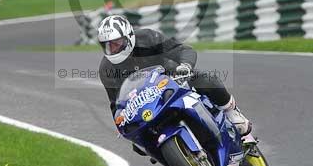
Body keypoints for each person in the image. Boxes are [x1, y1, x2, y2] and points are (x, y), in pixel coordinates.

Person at [97, 14, 252, 136]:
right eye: (108, 46)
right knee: (138, 143)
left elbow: (183, 49)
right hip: (146, 102)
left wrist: (185, 66)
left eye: (117, 43)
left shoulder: (148, 38)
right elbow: (116, 103)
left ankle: (231, 111)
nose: (114, 49)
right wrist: (122, 123)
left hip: (172, 78)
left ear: (129, 37)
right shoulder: (106, 69)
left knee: (205, 79)